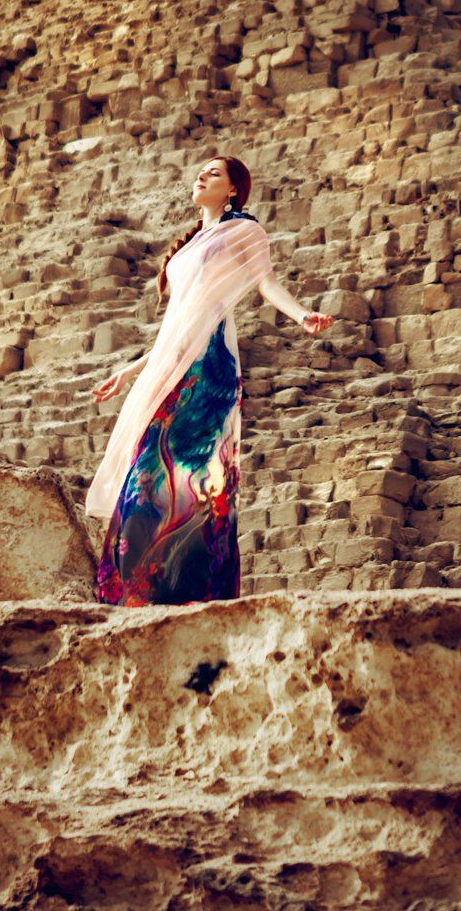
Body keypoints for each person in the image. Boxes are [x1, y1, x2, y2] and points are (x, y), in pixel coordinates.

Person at [85, 155, 333, 606]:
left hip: (208, 371)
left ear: (234, 189)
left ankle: (189, 589)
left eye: (214, 173)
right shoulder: (190, 245)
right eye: (200, 170)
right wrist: (129, 369)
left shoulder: (244, 232)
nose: (201, 175)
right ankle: (138, 590)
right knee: (148, 475)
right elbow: (178, 326)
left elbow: (265, 284)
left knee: (198, 478)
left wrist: (302, 315)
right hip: (172, 362)